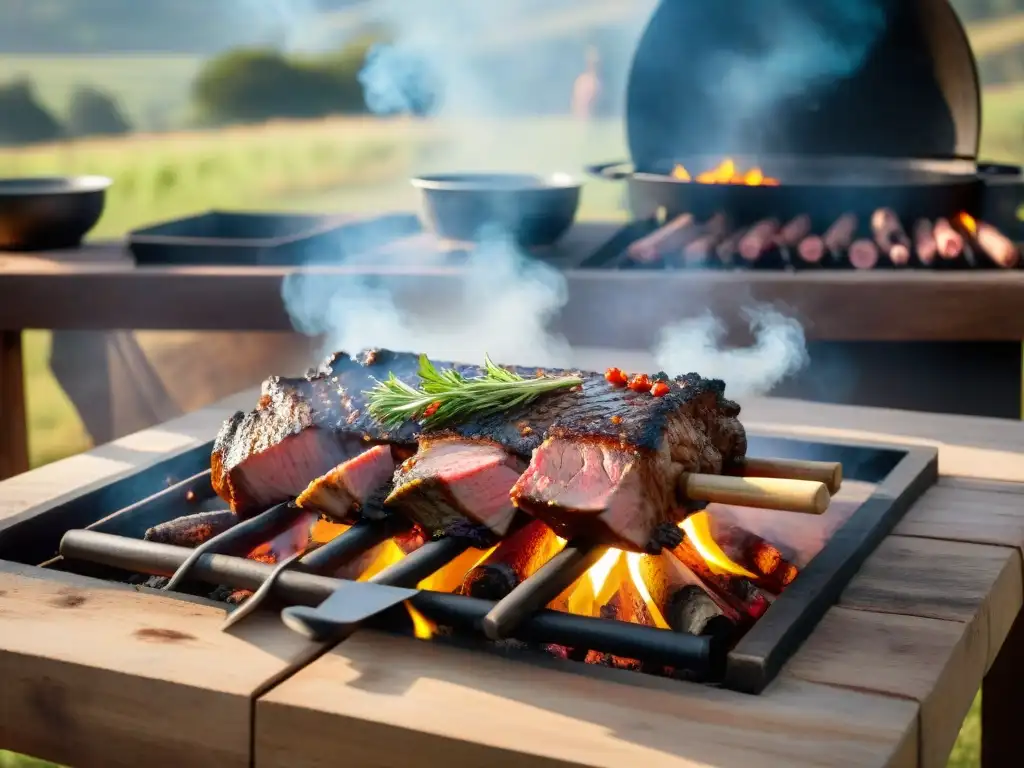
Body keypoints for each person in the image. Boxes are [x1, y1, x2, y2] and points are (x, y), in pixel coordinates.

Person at [571, 46, 602, 121]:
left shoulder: (597, 82)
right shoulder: (582, 81)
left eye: (595, 63)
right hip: (582, 118)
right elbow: (577, 102)